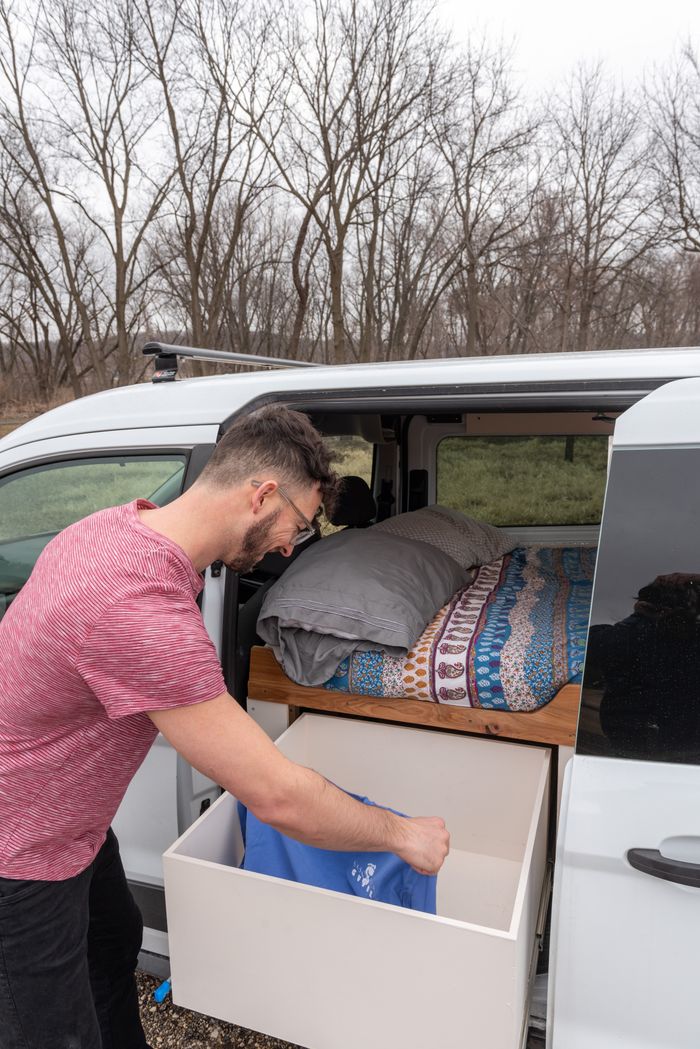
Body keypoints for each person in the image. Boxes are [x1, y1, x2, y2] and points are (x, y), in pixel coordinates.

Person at [0, 404, 449, 1049]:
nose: (292, 545)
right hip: (20, 852)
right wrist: (403, 835)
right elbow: (277, 798)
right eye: (298, 522)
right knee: (52, 1030)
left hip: (71, 820)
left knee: (113, 944)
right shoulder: (137, 603)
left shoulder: (116, 527)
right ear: (261, 494)